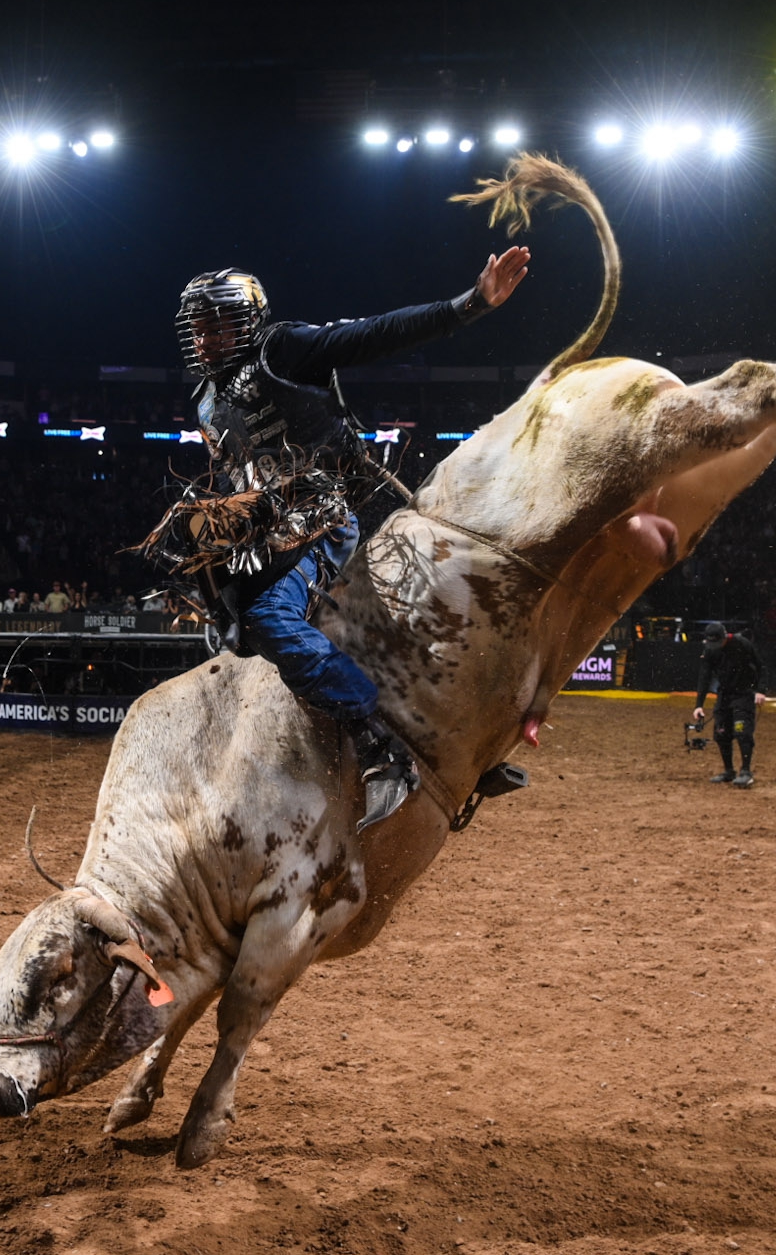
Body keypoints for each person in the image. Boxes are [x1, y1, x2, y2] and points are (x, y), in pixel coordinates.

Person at [144, 247, 531, 829]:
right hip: (274, 533)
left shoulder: (282, 348)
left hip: (331, 511)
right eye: (195, 328)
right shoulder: (204, 400)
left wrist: (469, 304)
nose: (203, 340)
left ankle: (380, 747)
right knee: (228, 616)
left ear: (245, 320)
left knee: (267, 618)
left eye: (214, 325)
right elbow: (232, 475)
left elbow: (372, 335)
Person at [690, 621, 765, 787]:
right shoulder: (710, 650)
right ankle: (729, 771)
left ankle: (746, 771)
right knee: (721, 733)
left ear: (725, 637)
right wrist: (699, 704)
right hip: (724, 694)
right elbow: (705, 675)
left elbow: (760, 665)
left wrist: (760, 690)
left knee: (742, 731)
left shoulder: (743, 644)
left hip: (744, 693)